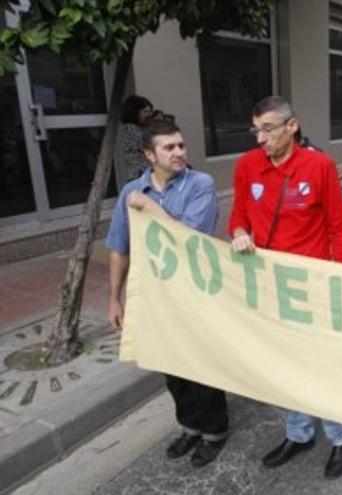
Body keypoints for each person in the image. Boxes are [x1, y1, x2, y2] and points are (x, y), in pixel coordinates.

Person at [228, 96, 342, 478]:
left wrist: (339, 277)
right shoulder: (247, 165)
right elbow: (238, 212)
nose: (261, 138)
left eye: (268, 129)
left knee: (323, 364)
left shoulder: (319, 166)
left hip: (314, 285)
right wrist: (237, 232)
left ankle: (341, 437)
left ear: (292, 126)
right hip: (268, 286)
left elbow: (338, 224)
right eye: (256, 130)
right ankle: (299, 433)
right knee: (284, 363)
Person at [106, 120, 227, 468]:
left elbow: (188, 239)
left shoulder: (200, 184)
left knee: (202, 367)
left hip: (195, 294)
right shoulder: (132, 189)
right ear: (149, 154)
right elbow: (119, 247)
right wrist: (115, 297)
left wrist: (149, 207)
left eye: (181, 145)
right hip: (156, 299)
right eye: (169, 148)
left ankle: (214, 432)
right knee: (171, 366)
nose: (179, 153)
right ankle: (190, 427)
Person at [114, 95, 153, 186]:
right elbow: (149, 146)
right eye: (145, 112)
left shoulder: (137, 129)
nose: (149, 115)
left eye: (150, 111)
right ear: (134, 113)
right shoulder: (131, 129)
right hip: (138, 175)